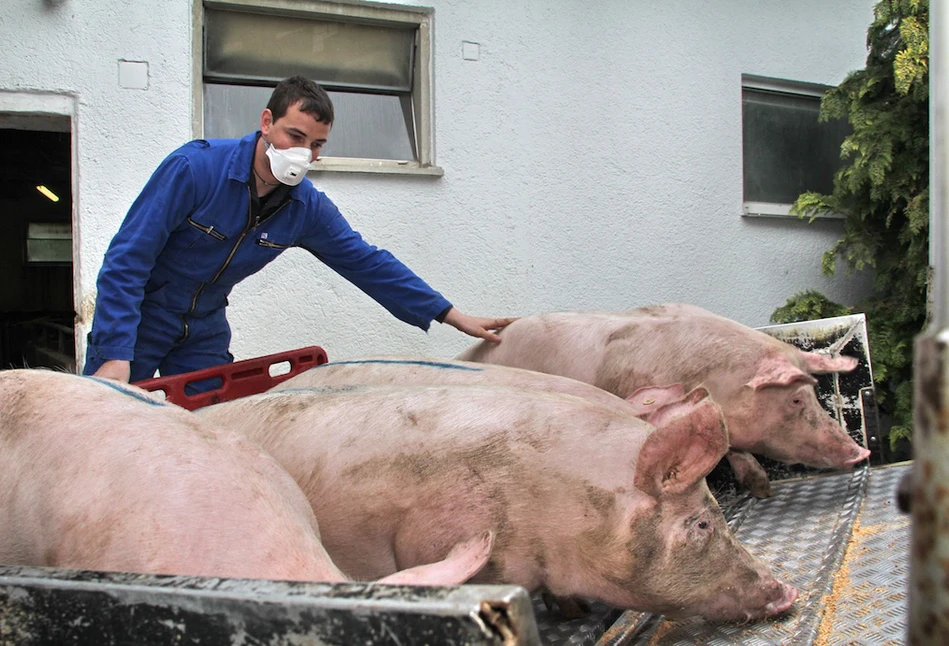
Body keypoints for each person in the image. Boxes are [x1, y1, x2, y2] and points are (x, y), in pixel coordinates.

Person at [84, 76, 515, 388]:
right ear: (267, 122)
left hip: (204, 325)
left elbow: (365, 262)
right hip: (138, 319)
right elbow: (127, 260)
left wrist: (449, 313)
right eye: (294, 136)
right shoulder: (195, 170)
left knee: (210, 424)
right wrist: (118, 353)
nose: (303, 153)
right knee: (107, 425)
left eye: (316, 144)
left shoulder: (304, 208)